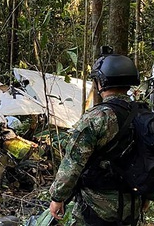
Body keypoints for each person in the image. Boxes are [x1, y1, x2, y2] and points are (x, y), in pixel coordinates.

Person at [48, 50, 145, 225]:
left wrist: (57, 197)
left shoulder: (98, 117)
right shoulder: (144, 114)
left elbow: (73, 163)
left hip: (97, 206)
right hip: (133, 204)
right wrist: (148, 196)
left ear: (101, 82)